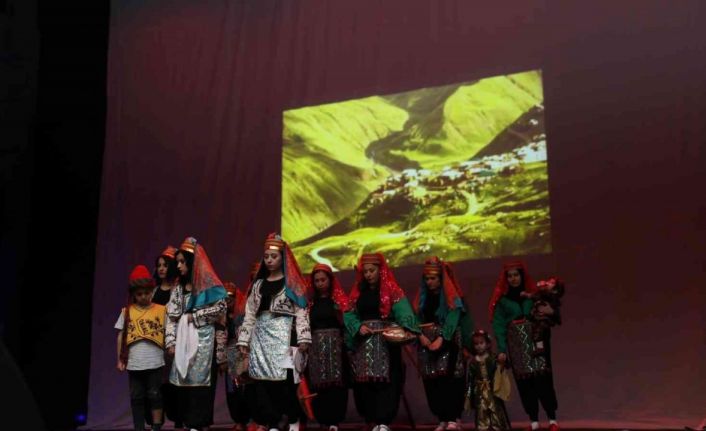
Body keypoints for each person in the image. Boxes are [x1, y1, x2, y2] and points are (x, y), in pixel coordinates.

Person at [237, 233, 311, 431]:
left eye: (274, 256)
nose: (269, 260)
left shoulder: (291, 284)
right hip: (261, 338)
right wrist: (244, 340)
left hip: (285, 337)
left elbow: (302, 311)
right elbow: (250, 314)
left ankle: (294, 418)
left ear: (282, 258)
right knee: (263, 383)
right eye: (267, 256)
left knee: (285, 384)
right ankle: (274, 422)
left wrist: (303, 337)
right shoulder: (258, 285)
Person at [344, 253, 420, 431]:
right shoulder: (358, 292)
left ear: (380, 270)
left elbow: (403, 310)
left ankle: (384, 422)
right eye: (365, 271)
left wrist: (408, 327)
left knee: (387, 381)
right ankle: (373, 421)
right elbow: (349, 313)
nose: (368, 274)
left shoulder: (391, 289)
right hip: (365, 343)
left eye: (372, 270)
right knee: (367, 381)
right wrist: (357, 327)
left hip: (386, 342)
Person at [165, 237, 228, 431]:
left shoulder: (208, 287)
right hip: (184, 340)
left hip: (205, 341)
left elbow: (221, 307)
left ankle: (199, 423)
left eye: (183, 262)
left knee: (202, 384)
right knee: (184, 382)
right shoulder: (178, 288)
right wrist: (170, 342)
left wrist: (196, 316)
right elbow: (172, 317)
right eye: (178, 262)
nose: (180, 266)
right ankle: (188, 421)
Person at [489, 261, 560, 431]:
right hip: (517, 346)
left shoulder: (535, 295)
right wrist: (502, 349)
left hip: (537, 342)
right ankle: (534, 422)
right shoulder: (503, 302)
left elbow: (551, 313)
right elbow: (499, 327)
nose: (513, 279)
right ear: (506, 279)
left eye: (516, 275)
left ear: (522, 276)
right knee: (525, 382)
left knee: (543, 379)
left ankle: (552, 420)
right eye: (510, 276)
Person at [413, 257, 473, 431]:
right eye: (427, 279)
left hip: (448, 341)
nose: (429, 282)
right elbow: (416, 318)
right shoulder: (422, 297)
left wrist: (441, 338)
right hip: (427, 344)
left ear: (441, 278)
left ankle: (453, 418)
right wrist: (420, 336)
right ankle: (441, 419)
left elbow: (454, 316)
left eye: (433, 278)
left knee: (451, 379)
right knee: (432, 381)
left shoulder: (450, 295)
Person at [115, 265, 167, 431]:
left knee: (155, 395)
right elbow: (121, 336)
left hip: (155, 361)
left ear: (151, 291)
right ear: (133, 295)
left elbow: (170, 333)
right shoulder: (127, 311)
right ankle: (139, 428)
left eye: (146, 293)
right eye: (139, 294)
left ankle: (156, 427)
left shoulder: (161, 310)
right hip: (134, 362)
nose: (143, 297)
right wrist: (120, 359)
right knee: (136, 396)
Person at [307, 263, 350, 431]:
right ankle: (322, 420)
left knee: (336, 384)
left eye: (323, 280)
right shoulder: (310, 303)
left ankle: (335, 421)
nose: (319, 283)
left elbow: (346, 323)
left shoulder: (339, 301)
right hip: (316, 348)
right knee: (319, 384)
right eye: (316, 280)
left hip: (336, 348)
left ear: (330, 280)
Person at [151, 245, 182, 429]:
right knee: (158, 384)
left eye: (165, 265)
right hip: (156, 342)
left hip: (174, 341)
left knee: (175, 383)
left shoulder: (177, 290)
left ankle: (179, 420)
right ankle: (157, 422)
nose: (161, 268)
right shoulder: (153, 291)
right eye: (159, 265)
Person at [465, 330, 511, 431]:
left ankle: (498, 426)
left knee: (495, 408)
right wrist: (469, 395)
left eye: (481, 343)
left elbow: (504, 367)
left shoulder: (493, 358)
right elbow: (470, 379)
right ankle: (482, 427)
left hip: (492, 389)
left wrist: (503, 360)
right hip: (479, 391)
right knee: (481, 409)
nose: (479, 346)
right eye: (476, 344)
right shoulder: (473, 362)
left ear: (487, 343)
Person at [224, 281, 251, 431]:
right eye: (225, 297)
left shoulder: (241, 314)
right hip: (229, 355)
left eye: (231, 297)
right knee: (231, 390)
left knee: (245, 388)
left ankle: (249, 420)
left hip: (242, 353)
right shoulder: (220, 315)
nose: (228, 300)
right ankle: (238, 421)